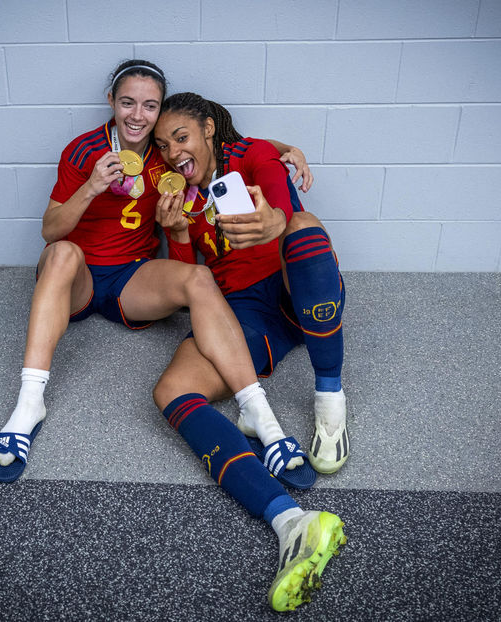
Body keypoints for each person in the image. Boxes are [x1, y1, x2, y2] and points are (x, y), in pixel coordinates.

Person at [0, 60, 317, 491]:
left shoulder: (165, 157)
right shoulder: (83, 150)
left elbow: (221, 141)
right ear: (111, 102)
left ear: (159, 111)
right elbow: (49, 231)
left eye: (149, 106)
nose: (137, 115)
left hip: (131, 281)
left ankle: (260, 413)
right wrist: (90, 187)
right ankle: (28, 406)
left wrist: (288, 147)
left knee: (199, 279)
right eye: (127, 103)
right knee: (63, 252)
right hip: (78, 278)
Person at [151, 91, 350, 611]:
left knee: (306, 230)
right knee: (172, 389)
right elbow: (188, 277)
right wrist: (175, 231)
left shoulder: (254, 156)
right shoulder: (184, 196)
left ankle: (331, 402)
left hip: (294, 289)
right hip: (244, 318)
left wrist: (276, 223)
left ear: (210, 129)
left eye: (181, 136)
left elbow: (285, 210)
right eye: (162, 144)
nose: (172, 151)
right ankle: (292, 522)